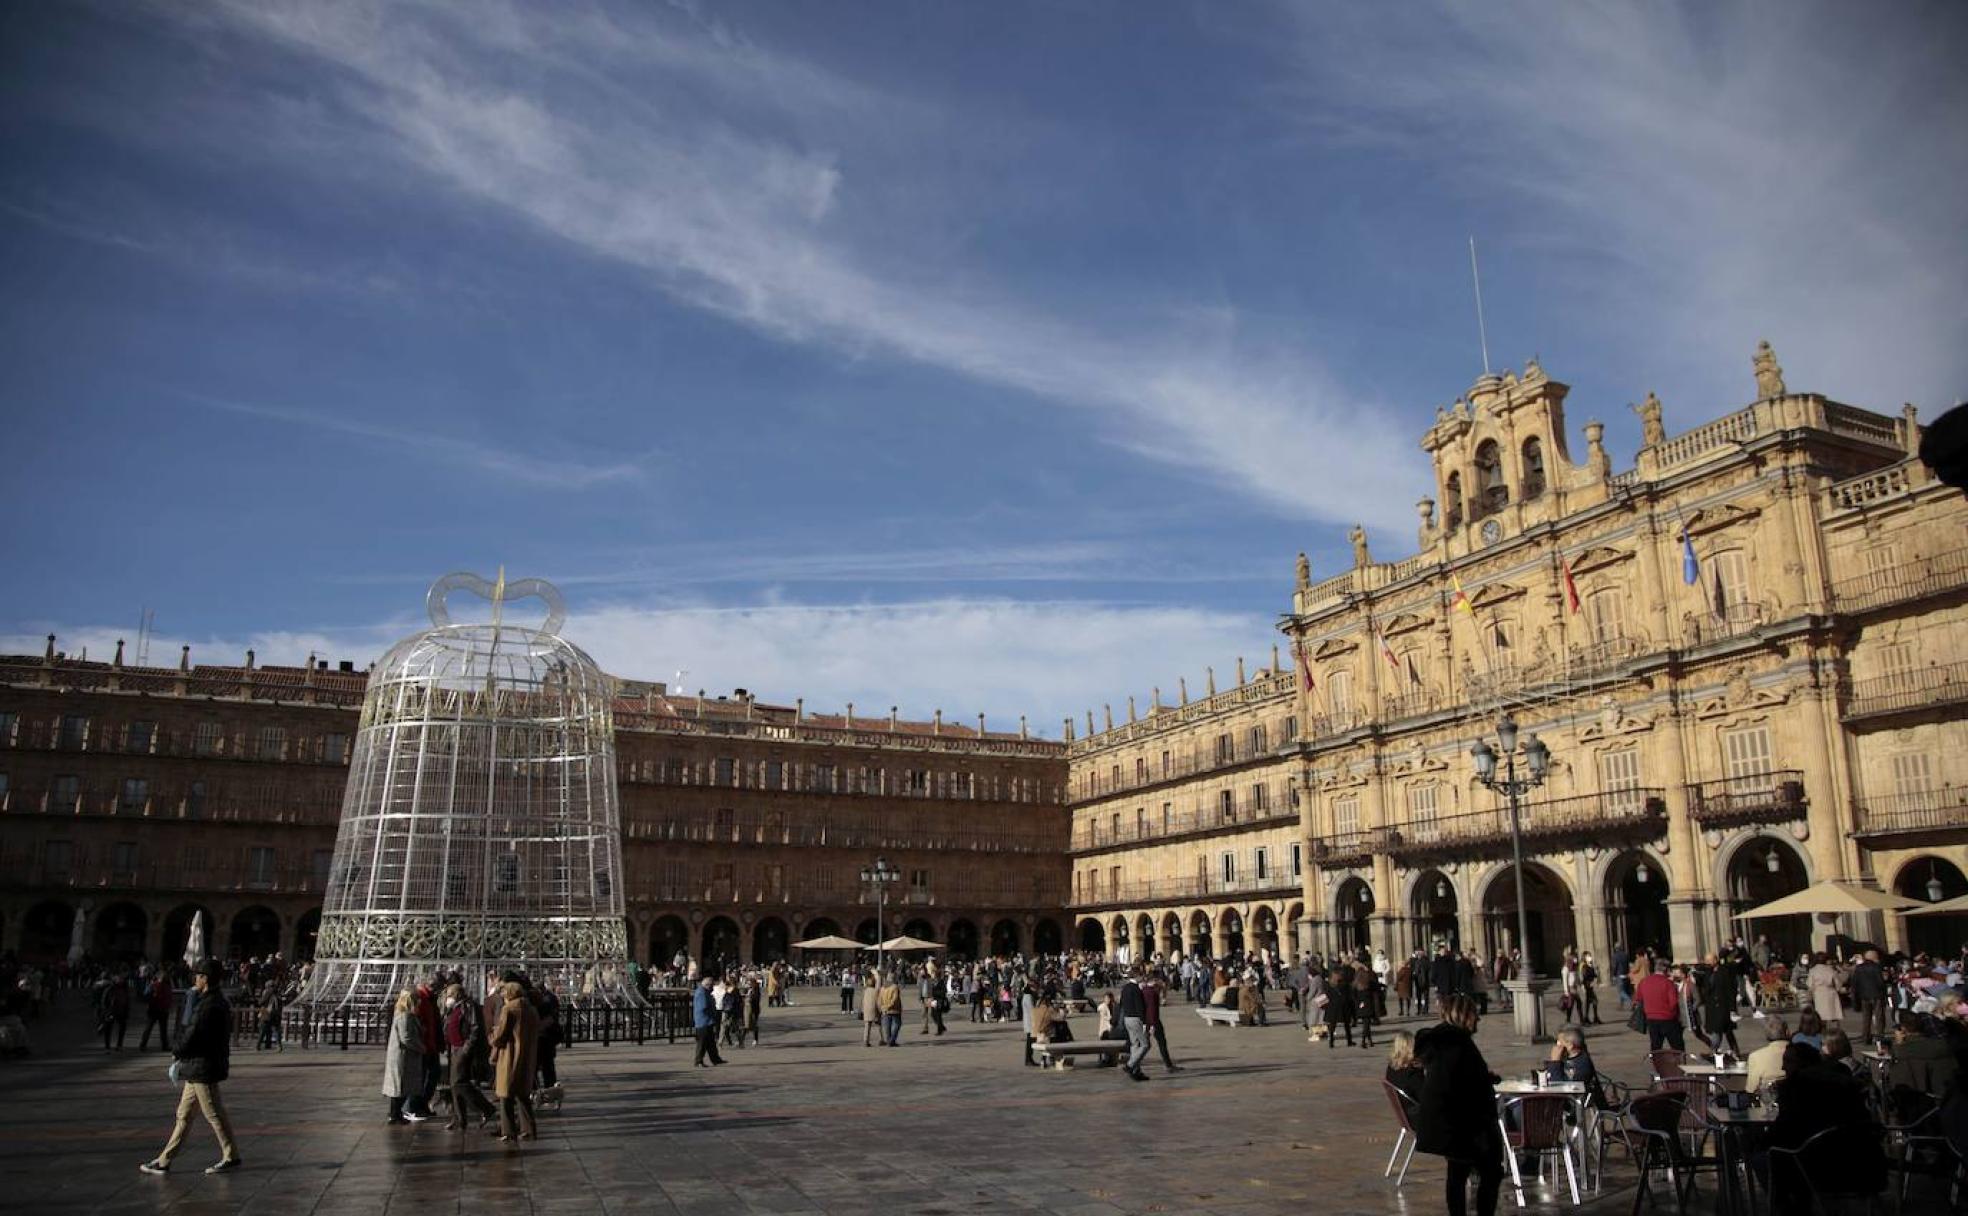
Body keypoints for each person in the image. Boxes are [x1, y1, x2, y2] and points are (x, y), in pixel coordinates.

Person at [139, 961, 240, 1175]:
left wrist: (177, 1050)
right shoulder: (215, 1001)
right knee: (183, 1115)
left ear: (206, 978)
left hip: (203, 1066)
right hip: (198, 1067)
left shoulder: (208, 1005)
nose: (195, 979)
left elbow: (193, 1034)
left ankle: (231, 1155)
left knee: (213, 1113)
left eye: (198, 975)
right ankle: (164, 1160)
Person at [1415, 995, 1504, 1216]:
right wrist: (1483, 1080)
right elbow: (1459, 1083)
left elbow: (1455, 1076)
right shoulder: (1456, 1044)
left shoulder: (1444, 1042)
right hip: (1463, 1121)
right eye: (1475, 1013)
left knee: (1458, 1171)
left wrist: (1483, 1077)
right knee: (1490, 1171)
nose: (1479, 1019)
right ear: (1463, 1015)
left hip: (1450, 1120)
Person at [490, 978, 540, 1142]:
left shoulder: (509, 1009)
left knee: (506, 1095)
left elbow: (501, 1035)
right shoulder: (531, 1009)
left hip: (510, 1056)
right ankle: (529, 1129)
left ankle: (508, 1130)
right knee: (523, 1095)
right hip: (527, 1056)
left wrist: (493, 1036)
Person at [441, 982, 496, 1131]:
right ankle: (460, 1118)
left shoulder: (468, 1006)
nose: (448, 998)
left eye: (450, 995)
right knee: (455, 1085)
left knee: (459, 1083)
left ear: (458, 994)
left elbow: (475, 1028)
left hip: (462, 1049)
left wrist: (466, 1048)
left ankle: (486, 1108)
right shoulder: (454, 1008)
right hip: (454, 1048)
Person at [382, 989, 426, 1125]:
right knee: (399, 1087)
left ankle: (396, 1113)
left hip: (404, 1056)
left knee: (401, 1086)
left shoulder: (405, 1014)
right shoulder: (404, 1016)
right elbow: (406, 1037)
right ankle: (394, 1114)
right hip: (403, 1056)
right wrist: (421, 1047)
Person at [1544, 1026, 1604, 1107]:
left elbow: (1558, 1086)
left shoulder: (1582, 1063)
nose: (1557, 1045)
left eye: (1560, 1042)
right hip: (1559, 1099)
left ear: (1570, 1045)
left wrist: (1555, 1062)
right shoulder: (1565, 1059)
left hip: (1572, 1103)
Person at [1634, 957, 1684, 1050]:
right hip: (1668, 1018)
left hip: (1651, 1018)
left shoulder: (1643, 982)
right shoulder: (1668, 983)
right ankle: (1679, 1062)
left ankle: (1657, 1063)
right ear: (1666, 970)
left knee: (1656, 1046)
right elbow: (1673, 1003)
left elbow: (1638, 999)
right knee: (1677, 1046)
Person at [1701, 954, 1742, 1055]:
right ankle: (1718, 1050)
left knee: (1723, 1030)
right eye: (1706, 961)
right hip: (1712, 1007)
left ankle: (1716, 1050)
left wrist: (1732, 1008)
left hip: (1723, 1006)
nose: (1707, 963)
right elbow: (1705, 989)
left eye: (1709, 961)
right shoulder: (1706, 973)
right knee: (1719, 1030)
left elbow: (1730, 990)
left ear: (1715, 960)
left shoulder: (1724, 972)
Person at [1141, 972, 1181, 1072]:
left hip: (1145, 1020)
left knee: (1144, 1044)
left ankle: (1133, 1063)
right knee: (1160, 1042)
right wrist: (1153, 1025)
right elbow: (1152, 1010)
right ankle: (1168, 1065)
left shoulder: (1144, 990)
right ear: (1154, 980)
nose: (1161, 982)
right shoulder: (1152, 993)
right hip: (1153, 1021)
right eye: (1159, 980)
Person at [1118, 969, 1151, 1082]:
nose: (1142, 978)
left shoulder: (1125, 988)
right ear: (1137, 976)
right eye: (1141, 976)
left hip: (1127, 1018)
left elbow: (1121, 1003)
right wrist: (1145, 1022)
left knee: (1135, 1045)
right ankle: (1130, 1065)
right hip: (1136, 1019)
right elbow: (1140, 1006)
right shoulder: (1135, 989)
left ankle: (1136, 1071)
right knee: (1145, 1045)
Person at [1849, 950, 1887, 1046]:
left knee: (1866, 1017)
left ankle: (1866, 1036)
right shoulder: (1876, 967)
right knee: (1878, 1016)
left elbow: (1855, 982)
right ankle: (1880, 1036)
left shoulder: (1859, 968)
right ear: (1874, 957)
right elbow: (1880, 982)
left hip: (1864, 995)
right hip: (1876, 994)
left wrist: (1856, 995)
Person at [1745, 1016, 1790, 1094]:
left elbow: (1751, 1088)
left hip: (1768, 1101)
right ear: (1787, 1032)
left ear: (1767, 1035)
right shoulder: (1802, 1053)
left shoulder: (1756, 1057)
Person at [691, 975, 725, 1067]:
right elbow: (703, 1006)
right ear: (707, 985)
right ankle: (698, 1061)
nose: (712, 988)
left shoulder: (704, 992)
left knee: (711, 1042)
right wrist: (712, 1007)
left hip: (706, 1021)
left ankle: (715, 1059)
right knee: (702, 1043)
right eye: (711, 986)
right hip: (703, 1021)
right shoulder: (702, 992)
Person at [1806, 953, 1845, 1027]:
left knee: (1820, 1015)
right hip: (1830, 992)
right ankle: (1835, 1033)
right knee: (1833, 1014)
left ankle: (1822, 1031)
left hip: (1819, 994)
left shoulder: (1813, 970)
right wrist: (1838, 989)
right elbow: (1838, 983)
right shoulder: (1830, 970)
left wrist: (1810, 994)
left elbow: (1810, 984)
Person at [139, 973, 174, 1052]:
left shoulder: (153, 985)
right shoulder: (168, 986)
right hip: (163, 1010)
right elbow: (170, 998)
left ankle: (143, 1045)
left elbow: (145, 995)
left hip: (153, 1009)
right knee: (163, 1030)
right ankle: (165, 1046)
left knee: (148, 1028)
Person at [1385, 1030, 1424, 1098]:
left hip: (1403, 1105)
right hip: (1415, 1106)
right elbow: (1426, 1097)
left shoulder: (1391, 1067)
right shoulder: (1412, 1073)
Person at [877, 971, 903, 1046]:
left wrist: (882, 1007)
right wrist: (888, 1006)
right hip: (894, 1009)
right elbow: (895, 999)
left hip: (885, 1010)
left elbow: (879, 999)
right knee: (897, 1025)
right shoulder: (895, 987)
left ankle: (889, 1041)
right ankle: (892, 1040)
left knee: (887, 1026)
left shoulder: (882, 988)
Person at [860, 971, 881, 1048]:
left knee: (867, 1026)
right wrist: (876, 974)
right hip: (874, 1009)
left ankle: (866, 1040)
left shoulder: (865, 991)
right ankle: (881, 1039)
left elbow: (862, 1001)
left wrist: (862, 1010)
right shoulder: (876, 991)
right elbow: (878, 1001)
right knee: (879, 1024)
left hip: (866, 1009)